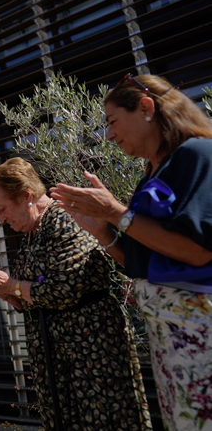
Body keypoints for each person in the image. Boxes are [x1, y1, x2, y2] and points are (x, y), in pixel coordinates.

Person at [50, 74, 212, 431]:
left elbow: (199, 252)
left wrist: (114, 212)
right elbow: (142, 264)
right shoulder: (152, 172)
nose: (108, 134)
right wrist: (101, 228)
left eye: (111, 121)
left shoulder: (196, 155)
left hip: (200, 327)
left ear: (146, 107)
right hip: (169, 334)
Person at [0, 158, 151, 431]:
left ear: (26, 196)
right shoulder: (30, 234)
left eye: (1, 209)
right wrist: (3, 290)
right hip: (55, 356)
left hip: (89, 349)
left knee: (102, 421)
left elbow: (65, 288)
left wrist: (12, 286)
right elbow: (30, 295)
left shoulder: (64, 218)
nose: (0, 219)